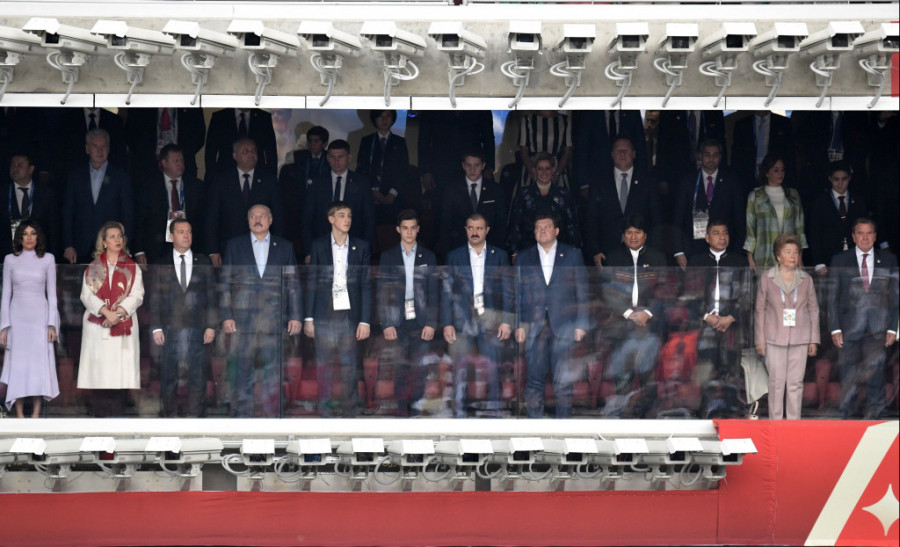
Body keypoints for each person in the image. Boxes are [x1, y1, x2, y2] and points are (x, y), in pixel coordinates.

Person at [220, 204, 301, 417]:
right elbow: (225, 283)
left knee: (272, 371)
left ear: (271, 220)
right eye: (253, 216)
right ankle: (241, 419)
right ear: (248, 221)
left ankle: (272, 418)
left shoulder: (284, 247)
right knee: (242, 370)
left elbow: (293, 284)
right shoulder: (234, 245)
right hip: (242, 320)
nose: (257, 219)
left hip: (273, 319)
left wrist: (295, 316)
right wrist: (226, 315)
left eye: (262, 216)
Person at [515, 214, 588, 418]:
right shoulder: (524, 257)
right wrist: (518, 324)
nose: (542, 231)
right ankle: (535, 426)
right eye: (538, 228)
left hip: (564, 325)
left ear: (556, 231)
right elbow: (517, 293)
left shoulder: (572, 254)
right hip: (533, 326)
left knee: (563, 380)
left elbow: (582, 291)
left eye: (547, 227)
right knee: (534, 380)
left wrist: (581, 324)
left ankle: (563, 427)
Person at [442, 213, 513, 417]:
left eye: (479, 228)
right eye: (471, 228)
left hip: (491, 319)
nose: (475, 232)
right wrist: (447, 323)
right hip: (462, 319)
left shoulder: (499, 255)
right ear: (466, 230)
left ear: (487, 230)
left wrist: (506, 321)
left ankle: (494, 410)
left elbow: (508, 290)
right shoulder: (454, 256)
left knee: (493, 369)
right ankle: (460, 414)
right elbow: (447, 292)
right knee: (459, 369)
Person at [304, 201, 372, 416]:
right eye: (342, 215)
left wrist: (365, 320)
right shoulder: (318, 245)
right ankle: (325, 412)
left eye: (349, 215)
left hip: (349, 315)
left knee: (349, 366)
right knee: (324, 366)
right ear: (331, 219)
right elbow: (312, 281)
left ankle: (349, 412)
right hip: (324, 314)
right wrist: (308, 318)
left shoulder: (361, 246)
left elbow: (365, 285)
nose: (347, 220)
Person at [829, 218, 899, 419]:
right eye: (860, 233)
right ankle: (848, 419)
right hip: (848, 329)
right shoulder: (839, 260)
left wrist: (892, 328)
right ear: (853, 237)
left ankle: (874, 418)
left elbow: (895, 297)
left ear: (875, 236)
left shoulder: (889, 260)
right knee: (848, 376)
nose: (865, 238)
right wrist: (835, 328)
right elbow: (832, 297)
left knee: (876, 376)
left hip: (878, 329)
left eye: (869, 233)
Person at [149, 219, 217, 417]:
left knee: (197, 376)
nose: (186, 235)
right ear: (171, 236)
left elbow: (212, 295)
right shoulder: (161, 263)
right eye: (181, 232)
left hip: (198, 328)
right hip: (169, 327)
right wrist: (156, 327)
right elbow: (155, 297)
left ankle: (196, 418)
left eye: (189, 231)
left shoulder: (203, 262)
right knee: (169, 375)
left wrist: (211, 325)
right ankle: (169, 418)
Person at [602, 214, 667, 418]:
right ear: (624, 235)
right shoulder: (614, 257)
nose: (633, 236)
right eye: (629, 232)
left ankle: (648, 419)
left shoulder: (657, 258)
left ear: (645, 235)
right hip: (622, 323)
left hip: (650, 325)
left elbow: (664, 290)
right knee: (623, 376)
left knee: (649, 377)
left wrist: (647, 313)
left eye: (637, 232)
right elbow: (607, 291)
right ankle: (624, 418)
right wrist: (630, 314)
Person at [76, 221, 144, 417]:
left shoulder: (132, 266)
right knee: (100, 374)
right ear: (104, 242)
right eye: (112, 237)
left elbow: (137, 295)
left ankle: (118, 418)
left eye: (120, 236)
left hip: (123, 325)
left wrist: (118, 314)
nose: (117, 240)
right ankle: (100, 418)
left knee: (119, 375)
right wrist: (106, 312)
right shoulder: (93, 267)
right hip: (98, 327)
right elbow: (86, 295)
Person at [376, 209, 438, 416]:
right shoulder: (388, 256)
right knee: (400, 369)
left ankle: (416, 411)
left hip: (421, 320)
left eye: (412, 228)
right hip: (397, 320)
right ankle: (401, 411)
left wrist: (431, 322)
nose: (409, 232)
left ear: (418, 229)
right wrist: (386, 323)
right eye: (405, 228)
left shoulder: (428, 256)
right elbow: (383, 292)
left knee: (420, 369)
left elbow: (433, 292)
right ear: (398, 230)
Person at [687, 220, 751, 413]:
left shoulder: (738, 262)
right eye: (716, 233)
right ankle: (705, 411)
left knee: (732, 370)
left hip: (732, 326)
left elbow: (747, 294)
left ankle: (731, 411)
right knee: (705, 369)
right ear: (707, 238)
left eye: (725, 233)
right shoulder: (697, 262)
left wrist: (730, 317)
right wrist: (707, 316)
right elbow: (690, 294)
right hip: (704, 326)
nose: (722, 237)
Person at [754, 233, 819, 420]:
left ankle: (793, 425)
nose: (793, 256)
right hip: (774, 338)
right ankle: (775, 424)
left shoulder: (806, 279)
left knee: (795, 384)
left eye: (796, 252)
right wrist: (760, 341)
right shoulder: (767, 278)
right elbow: (759, 310)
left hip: (800, 338)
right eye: (788, 252)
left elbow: (813, 309)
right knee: (776, 383)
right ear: (778, 256)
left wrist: (813, 340)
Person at [0, 221, 59, 417]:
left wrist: (52, 324)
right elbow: (5, 295)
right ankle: (19, 414)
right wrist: (4, 326)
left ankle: (35, 414)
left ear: (38, 237)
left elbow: (52, 295)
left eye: (33, 233)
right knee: (19, 365)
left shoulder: (48, 259)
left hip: (40, 318)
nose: (29, 237)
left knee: (38, 365)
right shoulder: (10, 259)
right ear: (19, 237)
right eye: (25, 234)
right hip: (17, 317)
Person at [584, 136, 660, 269]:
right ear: (612, 155)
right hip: (607, 252)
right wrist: (595, 250)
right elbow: (591, 219)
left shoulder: (648, 181)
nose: (622, 154)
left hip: (642, 251)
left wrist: (653, 249)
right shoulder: (599, 182)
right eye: (618, 151)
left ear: (634, 154)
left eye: (626, 150)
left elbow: (656, 217)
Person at [205, 138, 282, 267]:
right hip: (228, 247)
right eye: (246, 151)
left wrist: (278, 247)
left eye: (253, 151)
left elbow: (278, 216)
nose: (251, 154)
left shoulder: (269, 180)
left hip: (262, 246)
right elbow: (212, 217)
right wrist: (213, 250)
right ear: (235, 156)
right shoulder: (221, 180)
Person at [62, 129, 134, 264]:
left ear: (109, 149)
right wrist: (68, 244)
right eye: (95, 147)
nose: (100, 151)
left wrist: (124, 245)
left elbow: (128, 214)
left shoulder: (121, 176)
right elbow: (68, 213)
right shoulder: (75, 176)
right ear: (87, 149)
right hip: (80, 247)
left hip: (111, 246)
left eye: (104, 147)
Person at [673, 139, 745, 268]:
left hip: (725, 249)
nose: (711, 159)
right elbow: (678, 219)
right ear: (700, 155)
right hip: (693, 249)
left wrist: (737, 253)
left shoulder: (731, 182)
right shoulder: (688, 181)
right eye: (707, 155)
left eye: (715, 155)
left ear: (720, 157)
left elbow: (739, 221)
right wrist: (679, 251)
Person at [302, 140, 375, 259]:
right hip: (322, 246)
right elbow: (307, 219)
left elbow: (369, 220)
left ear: (349, 157)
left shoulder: (362, 183)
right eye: (333, 157)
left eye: (340, 157)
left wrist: (366, 252)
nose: (336, 161)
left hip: (354, 245)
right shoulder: (317, 183)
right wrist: (309, 251)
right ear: (328, 158)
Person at [134, 144, 206, 264]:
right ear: (164, 163)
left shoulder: (196, 186)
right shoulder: (149, 186)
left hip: (189, 244)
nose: (180, 164)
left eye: (182, 160)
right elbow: (140, 220)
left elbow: (204, 220)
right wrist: (139, 251)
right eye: (176, 161)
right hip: (158, 245)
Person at [506, 152, 581, 254]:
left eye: (547, 168)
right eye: (540, 169)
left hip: (559, 251)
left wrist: (574, 251)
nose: (544, 172)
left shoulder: (563, 194)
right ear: (534, 170)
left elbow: (571, 225)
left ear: (553, 170)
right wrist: (514, 251)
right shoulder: (523, 194)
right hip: (528, 251)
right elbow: (515, 225)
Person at [744, 153, 807, 273]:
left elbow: (799, 229)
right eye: (776, 170)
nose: (780, 174)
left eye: (782, 170)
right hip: (764, 253)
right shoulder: (755, 196)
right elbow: (750, 229)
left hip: (789, 255)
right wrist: (750, 257)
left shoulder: (793, 195)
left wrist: (800, 257)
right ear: (767, 173)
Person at [439, 149, 508, 257]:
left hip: (489, 248)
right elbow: (446, 223)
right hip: (459, 249)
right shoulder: (452, 190)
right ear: (463, 166)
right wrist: (447, 253)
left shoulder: (495, 190)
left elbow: (501, 223)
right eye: (468, 165)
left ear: (483, 165)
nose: (472, 169)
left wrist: (497, 251)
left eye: (476, 165)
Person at [356, 111, 409, 251]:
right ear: (375, 119)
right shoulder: (367, 141)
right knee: (370, 235)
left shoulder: (400, 142)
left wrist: (392, 193)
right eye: (381, 116)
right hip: (371, 197)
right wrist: (373, 191)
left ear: (393, 120)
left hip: (393, 198)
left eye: (388, 116)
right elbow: (361, 169)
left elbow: (403, 170)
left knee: (391, 238)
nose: (384, 120)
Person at [278, 125, 330, 258]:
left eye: (316, 141)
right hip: (300, 205)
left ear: (324, 143)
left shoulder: (330, 159)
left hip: (321, 207)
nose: (312, 144)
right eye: (310, 141)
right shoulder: (299, 157)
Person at [808, 161, 868, 275]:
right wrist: (819, 262)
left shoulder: (858, 201)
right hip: (828, 259)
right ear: (830, 178)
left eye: (844, 179)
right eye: (836, 179)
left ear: (849, 178)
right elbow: (815, 234)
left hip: (855, 258)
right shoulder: (820, 202)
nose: (840, 184)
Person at [1, 152, 58, 260]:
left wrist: (53, 256)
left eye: (19, 165)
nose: (14, 169)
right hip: (8, 255)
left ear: (31, 169)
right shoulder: (3, 193)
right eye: (12, 165)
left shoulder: (46, 193)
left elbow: (53, 228)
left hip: (39, 255)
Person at [125, 107, 206, 180]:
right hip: (146, 167)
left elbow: (198, 137)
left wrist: (179, 159)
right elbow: (131, 136)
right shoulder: (142, 107)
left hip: (183, 169)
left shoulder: (189, 106)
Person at [731, 110, 796, 196]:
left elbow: (790, 155)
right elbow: (736, 157)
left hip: (776, 180)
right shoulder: (742, 124)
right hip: (748, 180)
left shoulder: (783, 123)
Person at [204, 108, 278, 178]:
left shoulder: (263, 117)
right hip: (225, 175)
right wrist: (212, 178)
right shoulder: (220, 117)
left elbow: (271, 152)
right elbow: (210, 152)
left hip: (257, 176)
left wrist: (271, 178)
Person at [516, 110, 574, 194]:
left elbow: (567, 151)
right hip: (532, 169)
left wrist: (556, 174)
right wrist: (534, 175)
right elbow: (523, 151)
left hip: (557, 169)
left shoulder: (565, 120)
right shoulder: (528, 119)